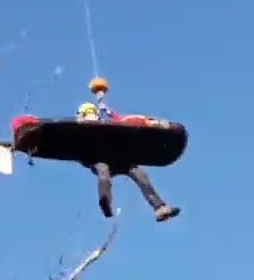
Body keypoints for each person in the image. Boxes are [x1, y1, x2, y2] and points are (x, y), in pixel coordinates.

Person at [77, 78, 180, 222]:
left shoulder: (107, 119)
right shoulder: (81, 129)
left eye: (92, 112)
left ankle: (159, 208)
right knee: (103, 172)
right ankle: (105, 201)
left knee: (139, 174)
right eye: (88, 113)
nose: (91, 115)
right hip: (99, 158)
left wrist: (153, 124)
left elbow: (128, 120)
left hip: (120, 158)